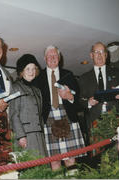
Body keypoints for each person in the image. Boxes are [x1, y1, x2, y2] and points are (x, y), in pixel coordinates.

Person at [78, 42, 119, 166]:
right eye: (96, 52)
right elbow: (79, 101)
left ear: (106, 55)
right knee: (101, 160)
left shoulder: (118, 73)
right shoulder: (84, 78)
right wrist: (88, 102)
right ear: (91, 55)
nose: (99, 55)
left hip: (118, 120)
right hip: (96, 123)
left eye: (102, 52)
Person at [35, 45, 85, 173]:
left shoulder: (68, 74)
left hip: (67, 115)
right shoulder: (38, 78)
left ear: (59, 58)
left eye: (55, 55)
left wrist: (69, 96)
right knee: (54, 160)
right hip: (48, 118)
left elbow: (77, 97)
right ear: (45, 58)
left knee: (70, 158)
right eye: (49, 56)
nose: (52, 58)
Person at [9, 54, 47, 157]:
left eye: (33, 69)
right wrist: (21, 136)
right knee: (30, 169)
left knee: (44, 168)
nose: (31, 72)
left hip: (39, 135)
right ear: (22, 71)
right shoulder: (16, 87)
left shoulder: (37, 90)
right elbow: (14, 115)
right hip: (25, 136)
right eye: (28, 69)